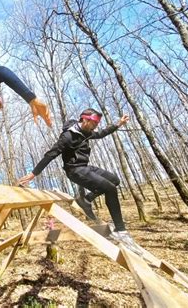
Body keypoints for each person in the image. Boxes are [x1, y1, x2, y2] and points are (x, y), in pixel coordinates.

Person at [17, 108, 141, 253]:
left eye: (97, 123)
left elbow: (101, 134)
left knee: (115, 180)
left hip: (85, 167)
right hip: (74, 170)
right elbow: (51, 154)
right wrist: (34, 173)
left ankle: (86, 199)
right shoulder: (68, 136)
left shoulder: (86, 132)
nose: (96, 126)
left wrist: (118, 124)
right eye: (94, 123)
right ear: (85, 119)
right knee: (110, 189)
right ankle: (121, 231)